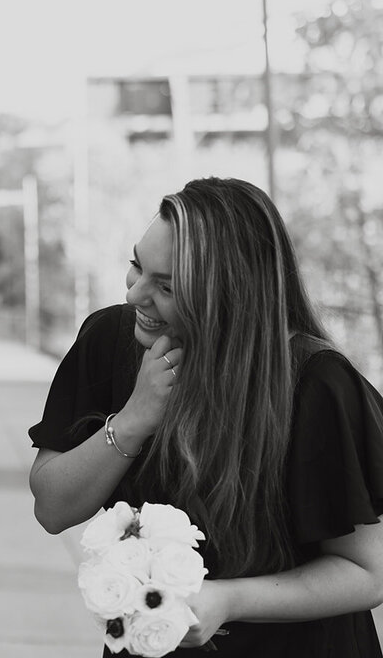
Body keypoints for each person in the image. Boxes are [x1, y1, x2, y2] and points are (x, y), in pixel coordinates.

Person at [29, 176, 383, 657]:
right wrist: (134, 419)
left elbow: (368, 572)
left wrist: (227, 599)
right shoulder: (109, 341)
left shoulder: (316, 384)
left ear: (231, 296)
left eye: (168, 287)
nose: (135, 295)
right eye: (137, 266)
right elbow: (52, 507)